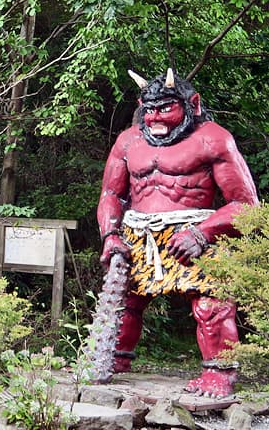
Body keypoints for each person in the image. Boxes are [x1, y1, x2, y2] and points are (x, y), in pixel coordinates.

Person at [97, 68, 259, 397]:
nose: (154, 117)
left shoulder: (213, 139)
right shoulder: (128, 141)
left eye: (165, 108)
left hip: (196, 235)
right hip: (139, 235)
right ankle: (113, 360)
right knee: (121, 302)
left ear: (192, 104)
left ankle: (219, 373)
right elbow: (112, 195)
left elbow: (246, 204)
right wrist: (110, 235)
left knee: (211, 305)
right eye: (149, 109)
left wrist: (202, 234)